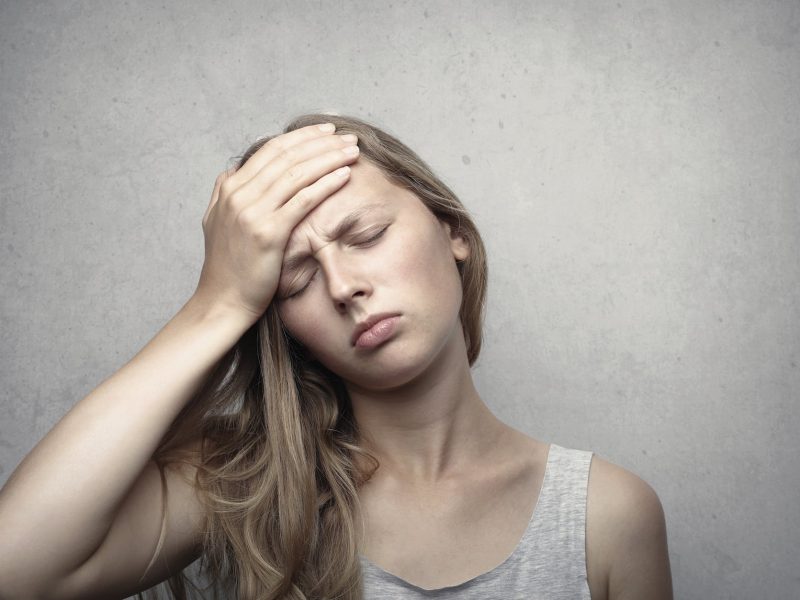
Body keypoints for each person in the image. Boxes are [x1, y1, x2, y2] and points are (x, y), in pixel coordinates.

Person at [0, 114, 673, 600]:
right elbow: (15, 570)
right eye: (295, 280)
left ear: (454, 235)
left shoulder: (604, 514)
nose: (346, 286)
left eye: (368, 234)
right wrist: (219, 302)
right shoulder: (247, 488)